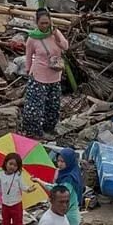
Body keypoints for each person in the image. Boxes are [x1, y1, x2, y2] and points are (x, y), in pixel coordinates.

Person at [20, 9, 69, 139]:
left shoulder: (55, 33)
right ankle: (34, 132)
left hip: (54, 75)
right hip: (38, 76)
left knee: (53, 106)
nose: (44, 26)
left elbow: (65, 46)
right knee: (35, 107)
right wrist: (28, 71)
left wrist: (56, 36)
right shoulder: (32, 38)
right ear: (37, 23)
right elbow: (29, 56)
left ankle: (49, 129)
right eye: (42, 23)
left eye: (47, 23)